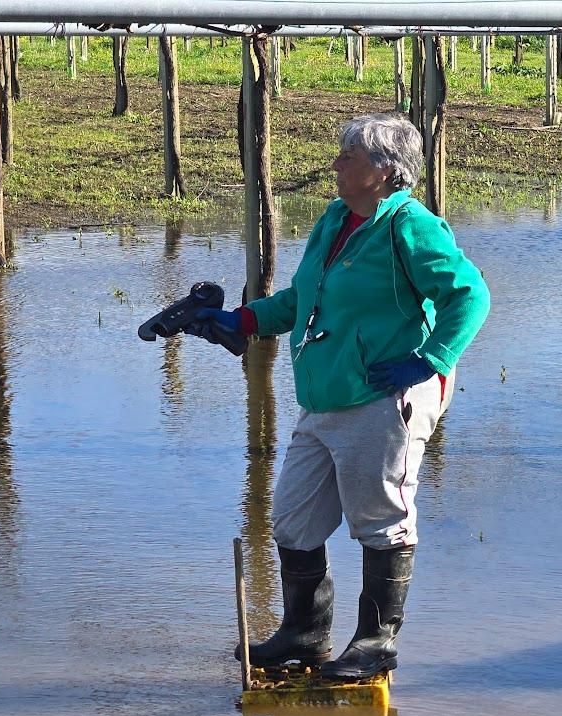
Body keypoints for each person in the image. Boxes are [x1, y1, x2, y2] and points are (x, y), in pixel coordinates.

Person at [188, 112, 490, 680]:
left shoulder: (410, 226)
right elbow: (303, 300)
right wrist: (241, 319)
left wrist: (431, 359)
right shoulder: (336, 219)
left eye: (348, 156)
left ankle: (376, 645)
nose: (336, 164)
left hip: (384, 400)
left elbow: (470, 296)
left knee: (382, 521)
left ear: (383, 170)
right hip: (324, 399)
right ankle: (305, 632)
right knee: (293, 520)